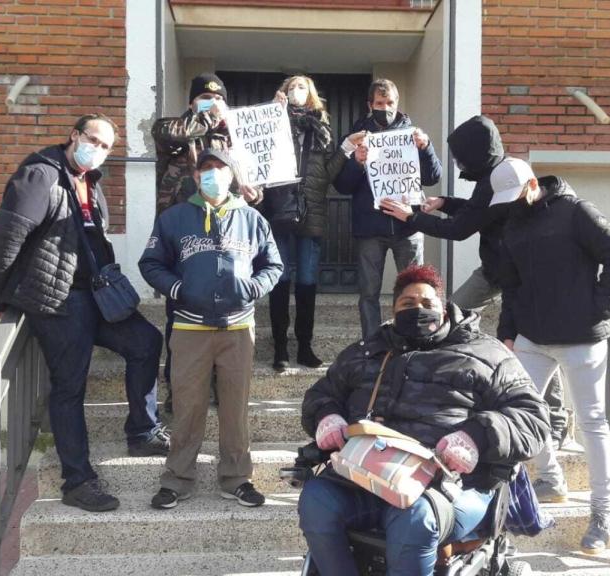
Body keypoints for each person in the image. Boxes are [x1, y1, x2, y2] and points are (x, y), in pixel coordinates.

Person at [298, 265, 550, 576]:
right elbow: (321, 394)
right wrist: (327, 416)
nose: (418, 309)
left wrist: (476, 436)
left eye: (427, 303)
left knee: (414, 519)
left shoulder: (488, 354)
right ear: (393, 311)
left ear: (443, 309)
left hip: (448, 485)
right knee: (316, 500)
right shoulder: (367, 352)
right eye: (407, 304)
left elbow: (533, 417)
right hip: (367, 477)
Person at [0, 114, 166, 512]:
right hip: (58, 300)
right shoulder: (40, 175)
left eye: (106, 147)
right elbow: (4, 236)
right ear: (74, 136)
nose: (97, 150)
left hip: (96, 295)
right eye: (93, 140)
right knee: (69, 388)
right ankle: (77, 482)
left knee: (146, 342)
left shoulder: (90, 183)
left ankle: (142, 431)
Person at [380, 115, 572, 450]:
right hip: (495, 268)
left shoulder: (498, 178)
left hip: (517, 276)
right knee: (453, 315)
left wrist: (411, 217)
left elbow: (459, 229)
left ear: (475, 152)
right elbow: (477, 212)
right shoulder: (490, 176)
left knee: (531, 343)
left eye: (460, 156)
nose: (457, 163)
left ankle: (554, 421)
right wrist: (444, 203)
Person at [491, 158, 610, 554]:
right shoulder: (513, 224)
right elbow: (511, 282)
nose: (511, 204)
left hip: (582, 338)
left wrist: (597, 308)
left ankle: (603, 514)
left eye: (516, 195)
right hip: (532, 338)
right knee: (520, 413)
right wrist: (507, 330)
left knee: (592, 423)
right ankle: (550, 479)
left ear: (533, 183)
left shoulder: (577, 212)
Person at [139, 148, 283, 510]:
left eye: (220, 168)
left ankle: (237, 479)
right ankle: (177, 480)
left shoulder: (252, 218)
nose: (214, 174)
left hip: (238, 328)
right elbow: (151, 262)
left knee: (236, 408)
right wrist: (178, 289)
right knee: (187, 407)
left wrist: (253, 287)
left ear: (232, 175)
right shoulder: (173, 218)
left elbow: (274, 264)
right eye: (206, 168)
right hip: (190, 328)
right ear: (196, 174)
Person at [152, 73, 262, 411]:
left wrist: (252, 192)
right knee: (180, 316)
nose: (213, 103)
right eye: (204, 97)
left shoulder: (236, 137)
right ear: (191, 102)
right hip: (182, 236)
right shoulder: (178, 128)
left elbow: (250, 181)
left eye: (218, 99)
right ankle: (178, 388)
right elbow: (166, 134)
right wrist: (203, 118)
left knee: (224, 316)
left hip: (226, 240)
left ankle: (217, 385)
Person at [333, 78, 442, 340]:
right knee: (369, 293)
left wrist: (426, 148)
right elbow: (342, 186)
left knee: (414, 289)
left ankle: (410, 338)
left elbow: (433, 177)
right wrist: (356, 163)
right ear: (370, 105)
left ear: (398, 103)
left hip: (408, 227)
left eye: (390, 102)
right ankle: (372, 344)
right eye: (380, 103)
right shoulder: (357, 137)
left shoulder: (414, 134)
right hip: (370, 229)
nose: (386, 107)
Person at [263, 75, 338, 371]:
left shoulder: (321, 126)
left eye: (302, 87)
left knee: (307, 282)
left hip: (312, 211)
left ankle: (304, 346)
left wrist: (345, 153)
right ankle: (280, 348)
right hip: (279, 209)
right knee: (279, 280)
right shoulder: (273, 120)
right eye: (291, 87)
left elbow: (330, 170)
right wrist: (273, 113)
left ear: (311, 94)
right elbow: (257, 155)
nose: (296, 91)